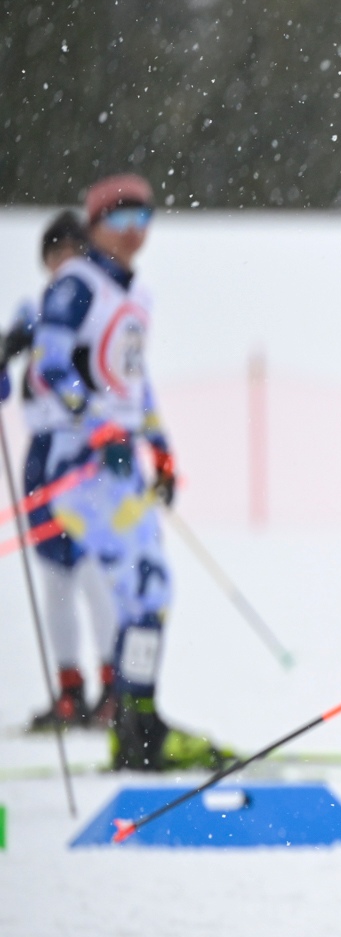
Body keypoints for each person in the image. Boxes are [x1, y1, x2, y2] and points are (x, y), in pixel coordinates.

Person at [31, 175, 187, 769]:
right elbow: (50, 366)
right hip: (79, 468)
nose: (133, 232)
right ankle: (134, 725)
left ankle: (136, 719)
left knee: (149, 591)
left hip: (120, 467)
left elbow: (135, 384)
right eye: (120, 219)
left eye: (143, 220)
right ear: (94, 224)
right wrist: (97, 426)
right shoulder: (77, 284)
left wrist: (161, 448)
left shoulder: (136, 294)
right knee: (140, 587)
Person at [6, 211, 120, 731]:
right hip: (43, 454)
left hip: (84, 450)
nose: (64, 265)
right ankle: (70, 689)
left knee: (95, 569)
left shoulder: (94, 307)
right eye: (56, 255)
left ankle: (113, 687)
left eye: (73, 253)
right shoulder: (36, 310)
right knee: (55, 575)